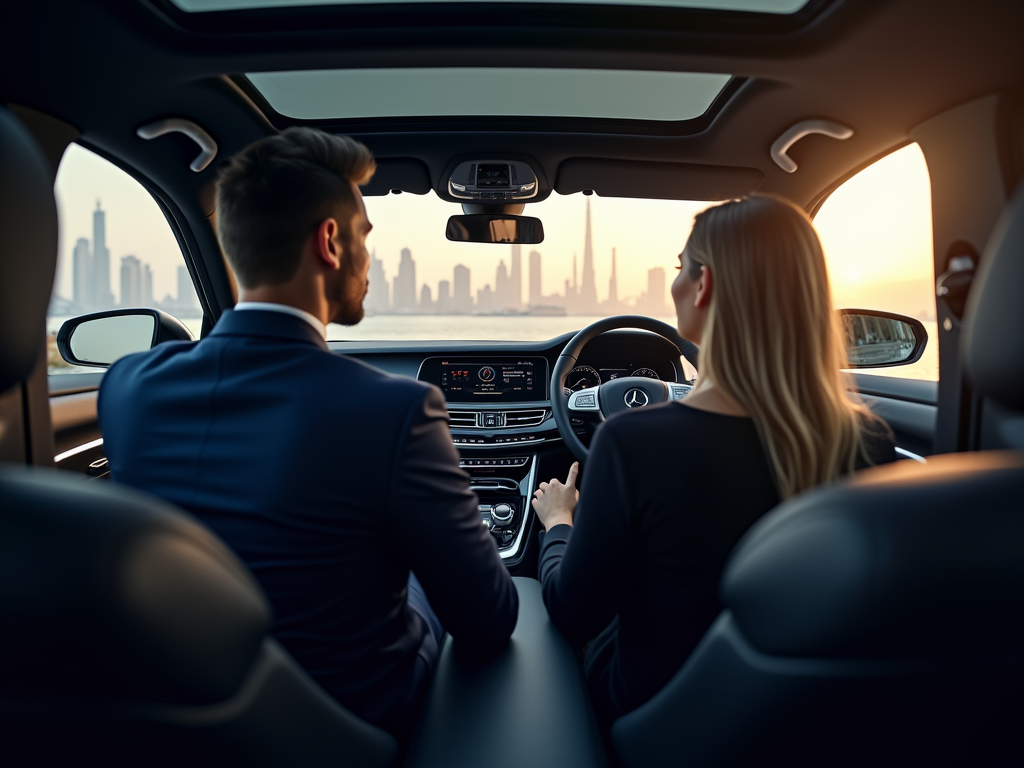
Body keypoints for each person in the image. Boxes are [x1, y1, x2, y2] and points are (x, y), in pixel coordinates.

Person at [98, 128, 518, 740]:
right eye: (365, 238)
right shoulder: (397, 409)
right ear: (330, 241)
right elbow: (488, 620)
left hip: (169, 725)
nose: (368, 260)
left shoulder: (128, 386)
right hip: (344, 731)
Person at [532, 194, 896, 729]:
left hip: (656, 723)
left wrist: (559, 523)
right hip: (808, 722)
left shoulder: (631, 443)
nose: (674, 282)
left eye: (680, 267)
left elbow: (572, 611)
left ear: (703, 287)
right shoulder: (868, 441)